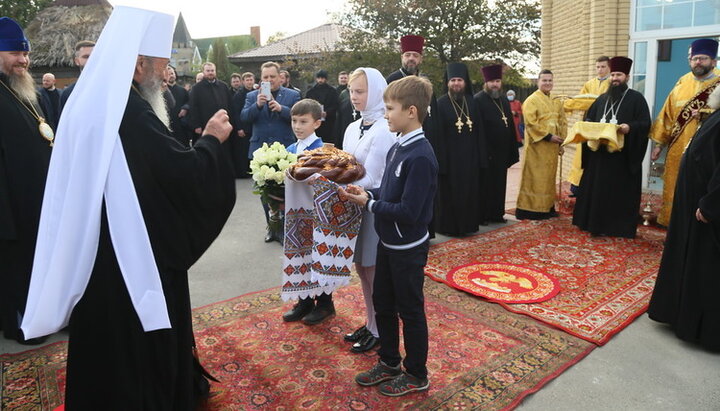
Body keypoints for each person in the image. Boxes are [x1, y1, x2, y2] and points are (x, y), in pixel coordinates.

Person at [20, 6, 236, 408]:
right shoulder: (131, 110)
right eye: (160, 64)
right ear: (138, 65)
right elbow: (181, 174)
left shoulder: (94, 102)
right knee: (135, 342)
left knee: (105, 338)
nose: (165, 72)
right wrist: (211, 140)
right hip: (131, 254)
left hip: (96, 248)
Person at [340, 75, 438, 397]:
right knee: (383, 303)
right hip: (388, 241)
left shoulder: (421, 156)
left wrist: (371, 204)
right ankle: (389, 361)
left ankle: (417, 373)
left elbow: (409, 211)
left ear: (411, 111)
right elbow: (391, 191)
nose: (385, 114)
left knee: (410, 310)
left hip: (407, 247)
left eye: (390, 108)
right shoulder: (399, 145)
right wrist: (366, 194)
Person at [648, 85, 720, 351]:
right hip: (693, 204)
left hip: (707, 209)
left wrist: (711, 205)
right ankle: (679, 315)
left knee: (705, 267)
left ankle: (701, 328)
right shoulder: (715, 114)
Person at [0, 16, 53, 345]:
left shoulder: (24, 92)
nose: (24, 60)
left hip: (36, 199)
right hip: (10, 205)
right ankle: (19, 324)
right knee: (16, 267)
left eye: (26, 55)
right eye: (15, 54)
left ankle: (41, 315)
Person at [339, 67, 395, 353]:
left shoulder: (384, 128)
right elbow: (347, 162)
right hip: (354, 204)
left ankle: (380, 329)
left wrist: (335, 179)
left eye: (360, 91)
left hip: (373, 205)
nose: (354, 97)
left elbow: (372, 177)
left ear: (375, 92)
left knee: (373, 271)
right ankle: (371, 321)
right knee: (362, 268)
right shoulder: (353, 127)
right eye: (351, 91)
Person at [572, 56, 651, 238]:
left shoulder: (637, 99)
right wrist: (589, 125)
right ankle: (592, 223)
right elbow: (589, 118)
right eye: (613, 74)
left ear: (627, 77)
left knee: (615, 194)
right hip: (599, 157)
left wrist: (629, 127)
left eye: (619, 75)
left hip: (620, 159)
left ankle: (616, 227)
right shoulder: (601, 99)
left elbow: (645, 123)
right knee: (596, 191)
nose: (615, 78)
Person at [650, 39, 720, 227]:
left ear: (713, 61)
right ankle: (673, 226)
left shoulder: (719, 82)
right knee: (675, 185)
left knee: (702, 187)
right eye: (695, 58)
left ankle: (700, 224)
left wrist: (706, 114)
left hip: (710, 150)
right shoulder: (682, 84)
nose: (698, 62)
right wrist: (658, 145)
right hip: (679, 147)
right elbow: (667, 115)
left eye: (703, 58)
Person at [281, 99, 333, 324]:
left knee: (319, 257)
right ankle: (304, 300)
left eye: (304, 121)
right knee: (300, 255)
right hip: (295, 215)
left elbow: (327, 183)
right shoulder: (290, 149)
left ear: (317, 123)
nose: (297, 126)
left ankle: (324, 303)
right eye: (294, 121)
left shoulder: (322, 150)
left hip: (316, 214)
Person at [241, 61, 300, 242]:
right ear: (261, 78)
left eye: (272, 77)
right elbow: (244, 118)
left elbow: (299, 116)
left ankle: (283, 229)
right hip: (260, 152)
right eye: (265, 77)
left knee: (284, 193)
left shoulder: (292, 95)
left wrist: (282, 109)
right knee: (265, 194)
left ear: (280, 77)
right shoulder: (252, 96)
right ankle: (271, 228)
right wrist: (257, 105)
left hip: (284, 151)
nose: (269, 80)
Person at [434, 62, 486, 235]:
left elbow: (480, 132)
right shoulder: (440, 104)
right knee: (450, 195)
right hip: (450, 161)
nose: (456, 83)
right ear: (448, 83)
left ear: (465, 82)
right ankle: (449, 228)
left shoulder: (472, 102)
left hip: (470, 159)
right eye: (453, 80)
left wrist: (481, 157)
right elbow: (438, 136)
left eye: (460, 80)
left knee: (469, 193)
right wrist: (442, 163)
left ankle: (468, 226)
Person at [516, 69, 566, 220]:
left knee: (549, 178)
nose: (547, 83)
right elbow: (530, 124)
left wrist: (562, 139)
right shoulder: (531, 100)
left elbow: (562, 121)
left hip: (552, 148)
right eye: (544, 80)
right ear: (538, 82)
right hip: (537, 147)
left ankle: (547, 207)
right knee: (535, 178)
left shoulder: (556, 101)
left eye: (550, 80)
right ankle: (530, 210)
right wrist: (548, 136)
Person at [475, 64, 520, 223]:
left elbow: (508, 123)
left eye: (498, 81)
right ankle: (483, 215)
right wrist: (483, 151)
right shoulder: (478, 100)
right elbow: (478, 129)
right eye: (492, 81)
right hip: (487, 152)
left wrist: (511, 149)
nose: (495, 84)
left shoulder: (502, 99)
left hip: (501, 152)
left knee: (500, 184)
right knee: (485, 185)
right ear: (486, 82)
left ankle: (497, 213)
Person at [567, 56, 611, 196]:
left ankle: (596, 186)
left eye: (603, 67)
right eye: (598, 67)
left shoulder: (612, 84)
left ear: (609, 67)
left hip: (603, 123)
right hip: (588, 121)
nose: (600, 70)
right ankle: (577, 186)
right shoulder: (589, 83)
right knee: (582, 153)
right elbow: (581, 100)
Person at [58, 40, 94, 116]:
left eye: (94, 56)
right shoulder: (68, 93)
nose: (91, 60)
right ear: (77, 61)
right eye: (86, 57)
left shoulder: (110, 89)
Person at [230, 71, 255, 178]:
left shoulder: (257, 93)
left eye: (251, 80)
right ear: (243, 82)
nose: (249, 82)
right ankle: (243, 172)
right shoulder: (238, 95)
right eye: (247, 80)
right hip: (243, 128)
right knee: (243, 151)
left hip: (254, 127)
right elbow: (235, 113)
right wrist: (239, 128)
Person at [305, 69, 340, 142]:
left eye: (322, 78)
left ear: (326, 79)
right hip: (314, 121)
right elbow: (307, 104)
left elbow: (336, 105)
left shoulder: (332, 91)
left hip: (329, 122)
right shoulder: (311, 91)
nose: (320, 80)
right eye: (319, 78)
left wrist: (327, 113)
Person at [167, 65, 191, 146]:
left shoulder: (182, 90)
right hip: (168, 126)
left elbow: (190, 102)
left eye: (172, 73)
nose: (171, 75)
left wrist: (185, 108)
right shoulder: (161, 91)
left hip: (181, 126)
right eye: (169, 74)